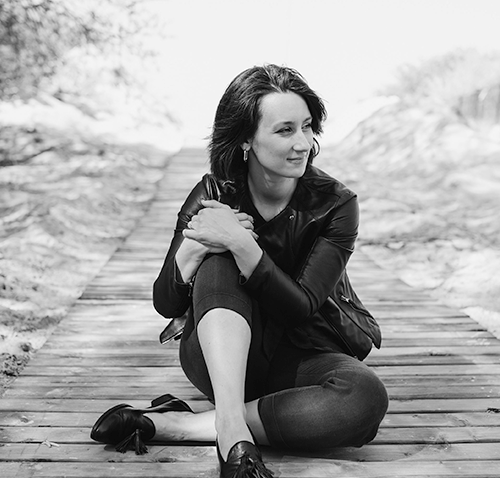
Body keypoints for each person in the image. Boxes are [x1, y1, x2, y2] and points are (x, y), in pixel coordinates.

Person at [90, 64, 389, 478]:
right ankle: (232, 431)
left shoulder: (335, 204)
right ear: (246, 139)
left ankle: (179, 424)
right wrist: (195, 245)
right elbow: (166, 302)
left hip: (302, 356)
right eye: (285, 130)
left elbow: (301, 306)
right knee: (217, 261)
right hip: (220, 358)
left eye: (307, 127)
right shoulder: (213, 192)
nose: (303, 143)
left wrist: (243, 244)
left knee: (364, 398)